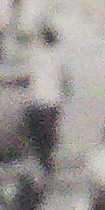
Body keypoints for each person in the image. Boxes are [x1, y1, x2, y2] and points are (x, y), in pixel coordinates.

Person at [25, 27, 70, 169]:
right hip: (52, 101)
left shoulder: (33, 55)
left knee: (36, 136)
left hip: (36, 100)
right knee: (49, 134)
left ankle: (41, 162)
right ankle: (47, 162)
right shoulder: (59, 56)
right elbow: (66, 81)